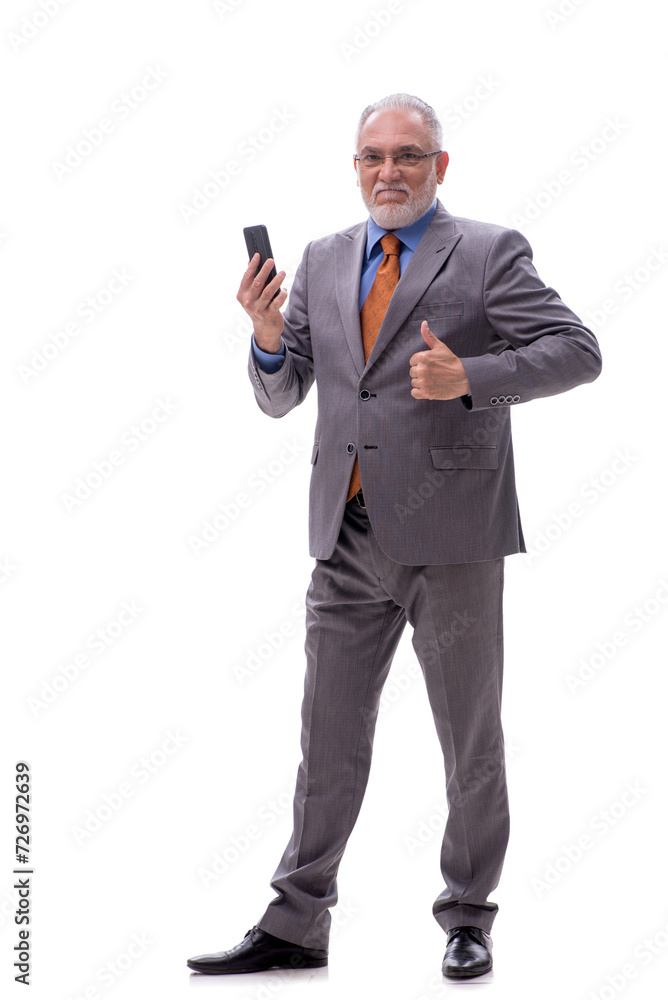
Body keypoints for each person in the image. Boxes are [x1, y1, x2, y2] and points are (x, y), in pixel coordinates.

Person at [187, 93, 602, 979]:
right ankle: (297, 919)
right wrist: (267, 339)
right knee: (325, 738)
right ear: (355, 167)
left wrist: (472, 377)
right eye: (373, 157)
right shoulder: (325, 257)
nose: (390, 172)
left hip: (452, 539)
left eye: (409, 156)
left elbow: (577, 350)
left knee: (468, 739)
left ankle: (467, 913)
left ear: (439, 167)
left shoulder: (489, 251)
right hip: (345, 534)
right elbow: (282, 393)